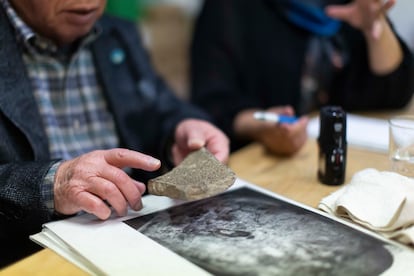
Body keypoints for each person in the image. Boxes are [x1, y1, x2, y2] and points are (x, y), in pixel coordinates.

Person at [0, 0, 230, 267]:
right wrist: (56, 183)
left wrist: (180, 130)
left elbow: (161, 107)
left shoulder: (117, 34)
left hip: (135, 244)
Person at [190, 0, 414, 155]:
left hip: (339, 159)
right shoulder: (231, 7)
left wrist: (375, 28)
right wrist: (262, 127)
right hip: (259, 164)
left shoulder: (353, 5)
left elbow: (396, 93)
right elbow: (212, 102)